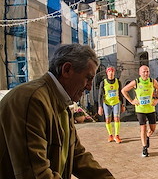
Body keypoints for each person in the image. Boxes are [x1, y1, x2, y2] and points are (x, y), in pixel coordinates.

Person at [0, 44, 114, 178]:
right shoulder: (33, 101)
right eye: (88, 78)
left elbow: (77, 156)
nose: (89, 87)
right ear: (66, 70)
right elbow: (36, 174)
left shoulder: (60, 101)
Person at [121, 65, 158, 157]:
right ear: (139, 73)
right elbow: (124, 90)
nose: (146, 73)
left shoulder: (152, 81)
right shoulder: (136, 82)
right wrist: (131, 101)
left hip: (150, 108)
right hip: (140, 109)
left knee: (152, 129)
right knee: (143, 128)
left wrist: (157, 98)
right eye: (144, 72)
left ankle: (147, 136)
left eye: (147, 71)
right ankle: (144, 148)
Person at [98, 66, 124, 143]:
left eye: (112, 71)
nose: (111, 73)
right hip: (107, 103)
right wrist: (100, 106)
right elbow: (100, 95)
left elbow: (120, 93)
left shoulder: (118, 81)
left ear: (114, 73)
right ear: (107, 73)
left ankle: (117, 135)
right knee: (108, 120)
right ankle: (110, 135)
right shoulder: (103, 82)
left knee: (117, 118)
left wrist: (123, 104)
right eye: (109, 71)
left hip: (116, 102)